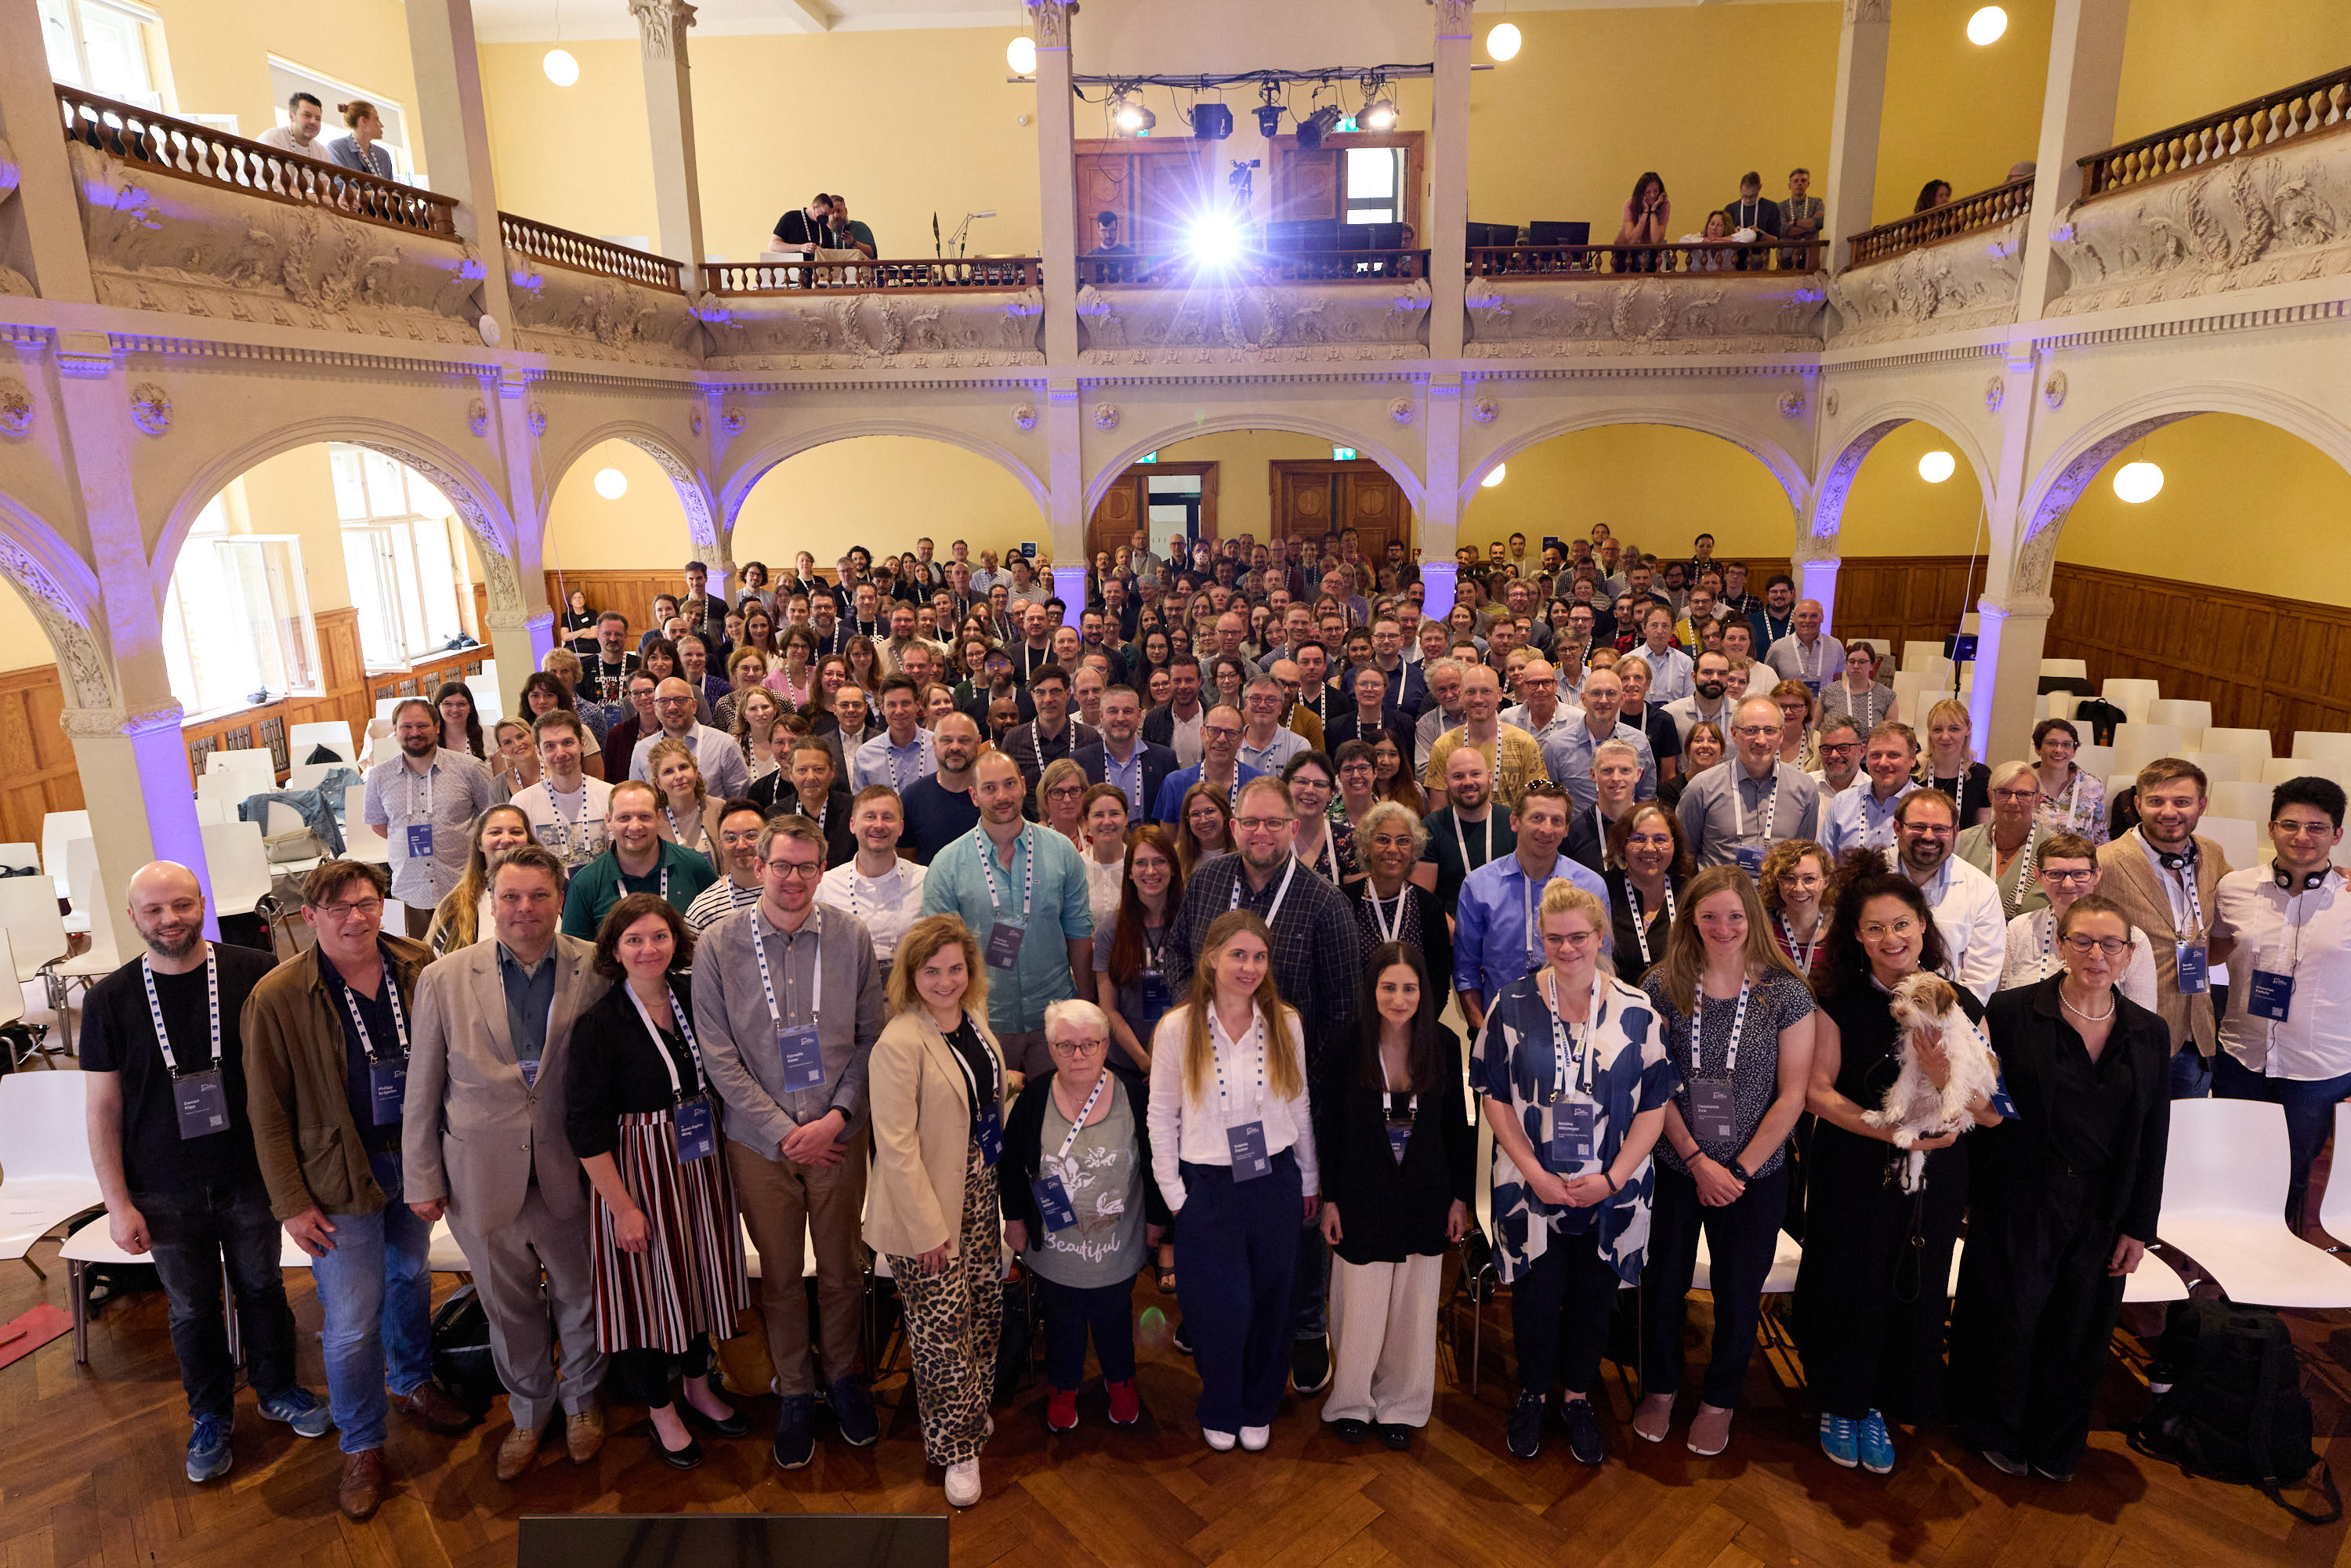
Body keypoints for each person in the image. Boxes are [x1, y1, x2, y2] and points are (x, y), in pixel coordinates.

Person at [84, 864, 331, 1489]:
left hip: (249, 1173)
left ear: (203, 904)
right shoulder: (108, 1000)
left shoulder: (254, 971)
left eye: (182, 904)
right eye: (155, 910)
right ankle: (211, 1415)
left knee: (262, 1287)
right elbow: (103, 1109)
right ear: (134, 916)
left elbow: (291, 1079)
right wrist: (117, 1204)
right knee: (192, 1307)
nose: (171, 919)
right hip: (162, 1188)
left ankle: (277, 1389)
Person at [404, 844, 612, 1481]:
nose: (525, 909)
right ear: (491, 901)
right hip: (479, 1177)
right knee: (506, 1305)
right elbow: (423, 1085)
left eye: (539, 896)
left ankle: (582, 1402)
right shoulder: (444, 977)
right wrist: (422, 1178)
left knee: (581, 1297)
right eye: (512, 897)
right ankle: (528, 1410)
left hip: (570, 1171)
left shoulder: (596, 967)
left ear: (559, 898)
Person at [1161, 776, 1369, 1395]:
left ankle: (1305, 1327)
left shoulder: (1325, 901)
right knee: (1217, 1212)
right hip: (1209, 1078)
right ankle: (1213, 1314)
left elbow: (1344, 1010)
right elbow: (1176, 955)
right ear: (1234, 825)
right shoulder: (1203, 883)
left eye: (1274, 824)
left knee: (1295, 1221)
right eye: (1250, 822)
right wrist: (1198, 1019)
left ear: (1294, 826)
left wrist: (1305, 1082)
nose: (1261, 833)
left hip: (1283, 1095)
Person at [692, 815, 887, 1469]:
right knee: (778, 1277)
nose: (794, 879)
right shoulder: (718, 945)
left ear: (821, 868)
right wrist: (783, 1131)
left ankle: (841, 1376)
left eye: (807, 867)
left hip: (838, 1135)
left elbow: (869, 1037)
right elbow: (718, 1057)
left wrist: (835, 1117)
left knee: (840, 1270)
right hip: (758, 1141)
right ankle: (795, 1389)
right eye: (782, 865)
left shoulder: (851, 937)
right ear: (758, 863)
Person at [1952, 895, 2168, 1483]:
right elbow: (1985, 1102)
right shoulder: (2012, 1010)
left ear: (2127, 955)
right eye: (2083, 941)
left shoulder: (2149, 1031)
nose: (2096, 955)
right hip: (2021, 1196)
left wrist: (2138, 1227)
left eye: (2110, 944)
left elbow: (2153, 1134)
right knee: (2007, 1319)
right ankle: (1991, 1428)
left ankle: (2055, 1440)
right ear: (2060, 946)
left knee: (2080, 1329)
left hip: (2102, 1207)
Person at [1792, 849, 1987, 1476]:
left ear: (1923, 926)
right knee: (1848, 1284)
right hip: (1855, 1165)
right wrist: (1891, 1129)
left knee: (1914, 1286)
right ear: (1855, 935)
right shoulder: (1834, 998)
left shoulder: (1959, 1002)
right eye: (1875, 927)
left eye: (1901, 923)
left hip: (1936, 1171)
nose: (1890, 938)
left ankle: (1879, 1403)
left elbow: (1992, 1109)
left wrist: (1943, 1074)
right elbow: (1818, 1093)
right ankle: (1838, 1402)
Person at [1476, 880, 1675, 1464]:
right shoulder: (1510, 1005)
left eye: (1579, 936)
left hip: (1612, 1189)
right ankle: (1534, 1393)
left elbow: (1654, 1108)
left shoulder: (1638, 1010)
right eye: (1555, 937)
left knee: (1593, 1298)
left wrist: (1612, 1179)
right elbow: (1495, 1095)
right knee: (1537, 1299)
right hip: (1531, 1186)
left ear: (1600, 936)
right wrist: (1535, 1170)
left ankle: (1579, 1396)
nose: (1568, 948)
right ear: (1541, 938)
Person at [1633, 869, 1816, 1456]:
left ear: (1754, 919)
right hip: (1676, 1165)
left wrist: (1735, 1171)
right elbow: (1652, 1084)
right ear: (1690, 919)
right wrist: (1696, 1158)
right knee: (1662, 1287)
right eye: (1709, 915)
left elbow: (1793, 1095)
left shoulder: (1787, 992)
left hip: (1755, 1176)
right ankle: (1659, 1387)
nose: (1723, 927)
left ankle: (1720, 1399)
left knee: (1740, 1294)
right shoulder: (1661, 985)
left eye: (1735, 916)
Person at [567, 895, 752, 1471]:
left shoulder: (696, 998)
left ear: (677, 940)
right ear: (614, 951)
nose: (649, 949)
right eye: (635, 940)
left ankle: (698, 1384)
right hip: (638, 1172)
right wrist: (621, 1207)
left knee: (696, 1279)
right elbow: (585, 1126)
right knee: (649, 1294)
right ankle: (660, 1407)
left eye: (659, 936)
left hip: (700, 1161)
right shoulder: (599, 1024)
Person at [1148, 910, 1320, 1452]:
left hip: (1275, 1181)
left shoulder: (1284, 1020)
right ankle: (1220, 1403)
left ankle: (1259, 1402)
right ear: (1212, 958)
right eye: (1239, 955)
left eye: (1259, 956)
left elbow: (1299, 1101)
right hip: (1208, 1188)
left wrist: (1310, 1176)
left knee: (1273, 1300)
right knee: (1220, 1306)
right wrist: (1174, 1194)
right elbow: (1160, 1116)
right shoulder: (1178, 1027)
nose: (1249, 967)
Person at [865, 914, 1010, 1505]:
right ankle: (956, 1448)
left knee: (983, 1305)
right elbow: (896, 1150)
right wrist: (929, 1232)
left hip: (976, 1190)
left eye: (956, 968)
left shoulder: (972, 1022)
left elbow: (976, 1095)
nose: (946, 981)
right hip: (923, 1210)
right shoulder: (898, 1041)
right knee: (942, 1332)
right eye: (933, 971)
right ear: (911, 974)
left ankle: (970, 1410)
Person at [1317, 943, 1473, 1449]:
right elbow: (1329, 1128)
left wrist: (1460, 1198)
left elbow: (1458, 1128)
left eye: (1409, 988)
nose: (1400, 999)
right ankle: (1352, 1402)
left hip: (1426, 1192)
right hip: (1361, 1192)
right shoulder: (1346, 1044)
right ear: (1372, 990)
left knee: (1414, 1303)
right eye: (1389, 987)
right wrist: (1330, 1199)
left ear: (1424, 993)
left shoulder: (1445, 1044)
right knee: (1357, 1305)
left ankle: (1403, 1405)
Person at [1003, 999, 1165, 1432]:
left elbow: (1154, 1163)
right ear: (1051, 1049)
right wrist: (1015, 1219)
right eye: (1066, 1045)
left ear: (1105, 1045)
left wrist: (1157, 1222)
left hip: (1118, 1246)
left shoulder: (1134, 1094)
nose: (1078, 1055)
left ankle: (1121, 1382)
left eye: (1089, 1045)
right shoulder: (1035, 1098)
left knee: (1114, 1317)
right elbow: (1012, 1164)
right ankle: (1063, 1387)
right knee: (1062, 1321)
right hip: (1055, 1251)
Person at [2209, 776, 2351, 1230]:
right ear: (2270, 829)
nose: (2302, 837)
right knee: (2231, 1165)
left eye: (2317, 827)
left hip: (2317, 1066)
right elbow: (2211, 948)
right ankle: (2220, 1265)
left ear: (2337, 836)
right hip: (2240, 1055)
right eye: (2290, 824)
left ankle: (2266, 1280)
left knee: (2292, 1175)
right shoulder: (2234, 888)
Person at [919, 751, 1096, 1077]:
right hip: (983, 1023)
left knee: (1052, 1118)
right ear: (973, 795)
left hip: (1056, 1018)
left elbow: (1079, 936)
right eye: (989, 788)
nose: (1001, 796)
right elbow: (937, 957)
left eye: (1009, 784)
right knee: (992, 1121)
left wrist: (1085, 1009)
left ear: (1024, 786)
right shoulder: (946, 865)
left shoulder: (1062, 852)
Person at [2096, 758, 2229, 1099]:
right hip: (2130, 1034)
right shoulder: (2104, 862)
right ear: (2138, 804)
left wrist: (2328, 878)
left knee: (2184, 1144)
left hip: (2197, 1033)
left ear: (2202, 805)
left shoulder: (2212, 853)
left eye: (2182, 802)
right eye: (2156, 801)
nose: (2169, 811)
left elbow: (2250, 893)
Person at [1454, 782, 1611, 1034]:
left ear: (1567, 829)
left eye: (1556, 820)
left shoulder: (1590, 886)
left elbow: (1602, 965)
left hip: (1575, 1030)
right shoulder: (1479, 886)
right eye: (1537, 818)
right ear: (1515, 821)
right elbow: (1466, 971)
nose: (1547, 829)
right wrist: (1482, 1030)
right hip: (1499, 1028)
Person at [365, 698, 493, 940]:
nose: (415, 733)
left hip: (463, 887)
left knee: (469, 961)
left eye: (422, 726)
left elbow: (490, 819)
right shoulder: (379, 777)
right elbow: (381, 825)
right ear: (396, 731)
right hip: (410, 891)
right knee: (418, 965)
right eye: (406, 727)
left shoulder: (470, 769)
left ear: (436, 727)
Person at [2001, 830, 2157, 1003]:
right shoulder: (2019, 929)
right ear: (2038, 876)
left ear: (2096, 874)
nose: (2068, 884)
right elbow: (2002, 1003)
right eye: (2055, 874)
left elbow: (2143, 1019)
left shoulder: (2131, 937)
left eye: (2079, 874)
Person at [1676, 695, 1822, 870]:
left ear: (1781, 735)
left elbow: (1801, 854)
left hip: (1777, 895)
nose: (1761, 740)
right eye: (1751, 730)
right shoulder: (1701, 788)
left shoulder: (1805, 788)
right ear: (1734, 734)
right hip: (1718, 894)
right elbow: (1685, 855)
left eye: (1770, 730)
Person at [561, 781, 719, 938]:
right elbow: (575, 955)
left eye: (644, 817)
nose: (635, 826)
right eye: (624, 818)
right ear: (609, 821)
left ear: (658, 818)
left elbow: (719, 933)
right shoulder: (585, 883)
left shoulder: (695, 866)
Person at [1893, 790, 2006, 1002]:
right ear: (1897, 828)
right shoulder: (1869, 878)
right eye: (1918, 826)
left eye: (1939, 829)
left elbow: (1980, 980)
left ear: (1955, 831)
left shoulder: (1981, 890)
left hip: (1948, 1016)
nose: (1928, 836)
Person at [1096, 822, 1183, 1080]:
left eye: (1160, 861)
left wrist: (1169, 1062)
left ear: (1173, 868)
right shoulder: (1110, 930)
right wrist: (1145, 1062)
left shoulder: (1189, 924)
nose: (1151, 871)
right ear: (1130, 873)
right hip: (1128, 1064)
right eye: (1141, 863)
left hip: (1182, 1060)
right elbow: (1108, 1009)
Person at [816, 785, 929, 975]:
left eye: (888, 817)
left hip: (910, 998)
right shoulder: (825, 886)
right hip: (849, 998)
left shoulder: (925, 881)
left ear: (901, 827)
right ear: (852, 824)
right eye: (870, 816)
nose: (879, 825)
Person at [1352, 802, 1451, 993]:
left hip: (1416, 1019)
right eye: (1382, 839)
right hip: (1357, 1019)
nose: (1392, 849)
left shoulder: (1429, 907)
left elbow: (1438, 984)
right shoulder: (1344, 902)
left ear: (1414, 851)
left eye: (1403, 841)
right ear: (1366, 847)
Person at [1425, 664, 1549, 812]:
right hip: (1460, 832)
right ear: (1461, 696)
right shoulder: (1443, 746)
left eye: (1486, 691)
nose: (1478, 699)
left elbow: (1539, 803)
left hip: (1512, 833)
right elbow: (1439, 810)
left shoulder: (1525, 744)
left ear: (1499, 694)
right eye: (1471, 692)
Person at [423, 805, 537, 955]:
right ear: (479, 844)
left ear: (528, 840)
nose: (507, 839)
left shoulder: (558, 889)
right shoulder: (454, 906)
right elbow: (442, 971)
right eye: (495, 832)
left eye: (516, 832)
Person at [1414, 744, 1513, 911]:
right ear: (1446, 782)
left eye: (1475, 774)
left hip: (1508, 925)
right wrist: (1460, 935)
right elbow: (1424, 900)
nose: (1468, 782)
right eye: (1458, 776)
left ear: (1490, 777)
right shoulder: (1430, 828)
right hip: (1452, 928)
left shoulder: (1513, 822)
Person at [1957, 760, 2054, 922]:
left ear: (2037, 799)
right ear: (1990, 795)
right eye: (2003, 792)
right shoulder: (1962, 843)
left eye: (2023, 794)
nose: (2013, 801)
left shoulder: (2054, 849)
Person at [631, 677, 752, 799]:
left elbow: (741, 802)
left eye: (680, 700)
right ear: (656, 708)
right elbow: (638, 801)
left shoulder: (724, 745)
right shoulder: (642, 750)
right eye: (664, 701)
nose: (672, 707)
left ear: (694, 706)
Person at [1606, 803, 1690, 973]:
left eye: (1660, 839)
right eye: (1638, 839)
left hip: (1677, 997)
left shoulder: (1690, 893)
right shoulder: (1603, 890)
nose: (1650, 848)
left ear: (1675, 844)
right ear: (1623, 844)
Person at [1079, 685, 1179, 826]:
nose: (1120, 718)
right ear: (1101, 716)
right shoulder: (1081, 762)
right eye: (1113, 711)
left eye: (1127, 711)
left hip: (1150, 846)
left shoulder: (1165, 760)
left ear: (1139, 716)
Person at [1822, 719, 1920, 859]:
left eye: (1893, 755)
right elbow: (1823, 863)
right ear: (1866, 758)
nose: (1883, 763)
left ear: (1913, 759)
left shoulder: (1930, 809)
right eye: (1876, 755)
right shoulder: (1842, 803)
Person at [900, 712, 986, 863]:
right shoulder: (912, 798)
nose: (955, 747)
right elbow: (906, 862)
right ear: (934, 744)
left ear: (978, 743)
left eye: (964, 740)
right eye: (947, 740)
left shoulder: (995, 796)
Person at [1153, 704, 1261, 824]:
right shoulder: (1174, 784)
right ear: (1202, 733)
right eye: (1214, 731)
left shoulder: (1259, 785)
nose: (1221, 739)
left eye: (1230, 733)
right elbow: (1167, 841)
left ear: (1241, 739)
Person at [682, 798, 768, 934]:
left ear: (768, 839)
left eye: (751, 836)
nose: (741, 845)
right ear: (720, 846)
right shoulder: (702, 911)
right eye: (731, 838)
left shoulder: (793, 891)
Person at [1564, 738, 1643, 877]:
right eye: (1607, 770)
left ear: (1638, 775)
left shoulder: (1651, 827)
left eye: (1625, 770)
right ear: (1593, 775)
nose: (1616, 778)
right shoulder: (1573, 831)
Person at [850, 675, 936, 794]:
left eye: (905, 703)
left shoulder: (939, 746)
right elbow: (861, 806)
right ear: (882, 708)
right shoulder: (865, 755)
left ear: (917, 705)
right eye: (891, 704)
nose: (899, 711)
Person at [1762, 838, 1835, 980]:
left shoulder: (1840, 931)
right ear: (1776, 882)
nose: (1799, 888)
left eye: (1810, 879)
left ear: (1826, 881)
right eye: (1789, 878)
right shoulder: (1763, 928)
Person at [647, 736, 722, 865]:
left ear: (695, 772)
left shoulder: (720, 809)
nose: (679, 776)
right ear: (658, 783)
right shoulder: (654, 822)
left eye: (683, 767)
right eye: (668, 772)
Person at [2033, 718, 2107, 843]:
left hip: (2078, 861)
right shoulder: (2022, 784)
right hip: (2031, 860)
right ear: (2038, 748)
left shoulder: (2091, 785)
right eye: (2051, 743)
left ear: (2074, 751)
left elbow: (2100, 836)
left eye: (2066, 745)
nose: (2059, 750)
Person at [1922, 698, 1993, 827]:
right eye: (1937, 729)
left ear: (1968, 729)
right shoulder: (1914, 772)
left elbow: (1981, 831)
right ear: (1929, 731)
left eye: (1954, 729)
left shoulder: (1981, 776)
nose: (1945, 737)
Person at [1762, 600, 1842, 697]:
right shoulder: (1777, 648)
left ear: (1822, 618)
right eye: (1802, 616)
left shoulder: (1836, 645)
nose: (1808, 620)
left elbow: (1837, 681)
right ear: (1793, 618)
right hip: (1790, 709)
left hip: (1825, 709)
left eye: (1814, 616)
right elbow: (1769, 681)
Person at [1817, 641, 1896, 733]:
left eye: (1862, 662)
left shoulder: (1887, 695)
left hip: (1872, 747)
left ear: (1872, 665)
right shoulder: (1828, 692)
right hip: (1837, 747)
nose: (1856, 666)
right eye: (1852, 661)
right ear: (1846, 665)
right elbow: (1815, 730)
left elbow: (1893, 734)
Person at [1175, 782, 1236, 878]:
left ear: (1224, 813)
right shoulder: (1175, 856)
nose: (1203, 820)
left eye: (1210, 811)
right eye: (1195, 814)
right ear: (1188, 820)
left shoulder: (1244, 853)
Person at [325, 100, 395, 179]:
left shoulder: (383, 155)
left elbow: (391, 190)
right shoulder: (337, 148)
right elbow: (340, 188)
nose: (381, 125)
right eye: (376, 119)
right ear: (364, 121)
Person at [259, 89, 331, 161]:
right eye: (307, 115)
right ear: (292, 117)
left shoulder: (322, 153)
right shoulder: (273, 139)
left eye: (318, 118)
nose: (313, 122)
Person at [1614, 170, 1672, 260]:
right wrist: (1645, 212)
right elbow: (1631, 241)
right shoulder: (1629, 205)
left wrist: (1653, 210)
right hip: (1624, 253)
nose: (1653, 196)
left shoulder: (1664, 204)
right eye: (1648, 192)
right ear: (1641, 193)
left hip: (1648, 253)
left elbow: (1656, 241)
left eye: (1656, 191)